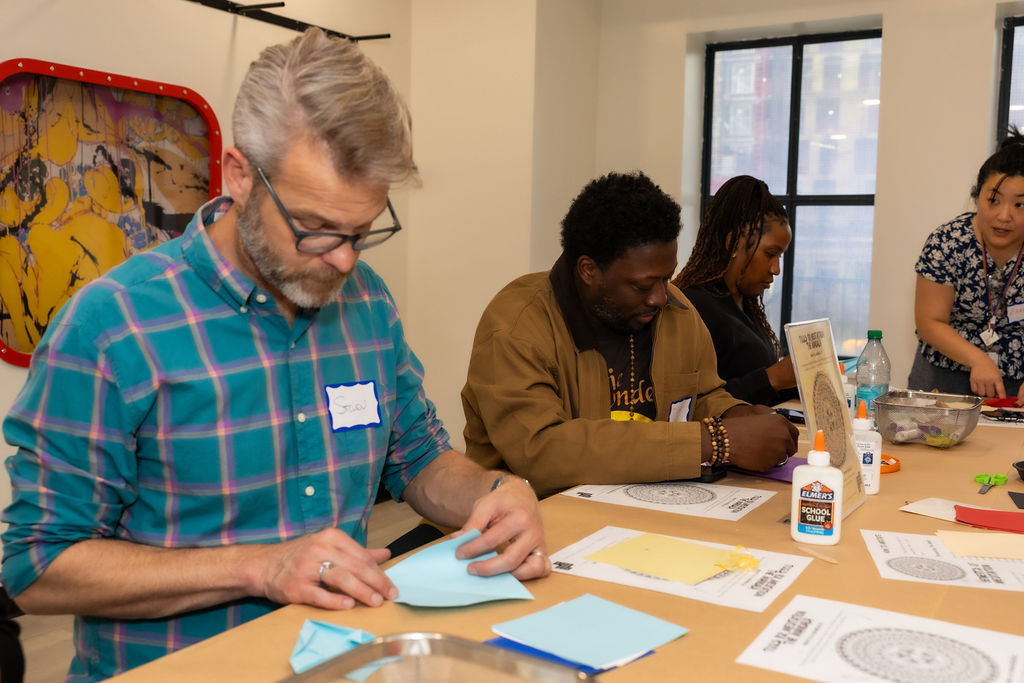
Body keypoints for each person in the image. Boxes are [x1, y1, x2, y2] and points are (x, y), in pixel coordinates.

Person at [0, 29, 547, 681]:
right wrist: (260, 564)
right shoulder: (113, 326)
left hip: (345, 658)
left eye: (362, 232)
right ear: (237, 176)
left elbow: (419, 458)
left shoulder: (365, 301)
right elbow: (38, 567)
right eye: (316, 229)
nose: (344, 259)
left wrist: (497, 490)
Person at [461, 171, 799, 498]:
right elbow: (542, 451)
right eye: (641, 285)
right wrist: (715, 440)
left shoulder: (676, 311)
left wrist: (736, 414)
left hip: (635, 509)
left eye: (666, 278)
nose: (660, 297)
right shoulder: (517, 325)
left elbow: (703, 395)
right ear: (588, 270)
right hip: (525, 520)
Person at [910, 129, 1024, 401]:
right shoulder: (947, 241)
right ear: (978, 195)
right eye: (993, 201)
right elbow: (929, 321)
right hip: (943, 376)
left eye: (1020, 205)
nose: (1003, 216)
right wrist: (978, 359)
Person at [671, 175, 797, 406]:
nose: (777, 269)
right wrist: (774, 378)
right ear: (734, 243)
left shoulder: (744, 301)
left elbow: (761, 392)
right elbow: (693, 404)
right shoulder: (694, 307)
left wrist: (796, 380)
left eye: (781, 256)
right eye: (770, 254)